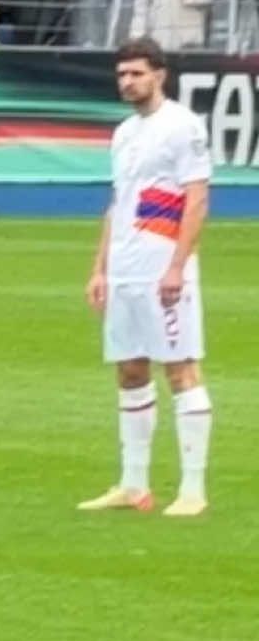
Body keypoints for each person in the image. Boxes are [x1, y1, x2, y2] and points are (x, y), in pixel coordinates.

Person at [80, 38, 213, 518]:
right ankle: (133, 484)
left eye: (135, 73)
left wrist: (178, 264)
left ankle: (192, 490)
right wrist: (100, 268)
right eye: (122, 74)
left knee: (180, 368)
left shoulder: (183, 127)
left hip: (163, 266)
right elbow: (119, 202)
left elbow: (196, 199)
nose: (127, 82)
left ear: (160, 75)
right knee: (130, 369)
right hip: (126, 269)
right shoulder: (124, 133)